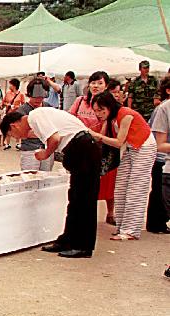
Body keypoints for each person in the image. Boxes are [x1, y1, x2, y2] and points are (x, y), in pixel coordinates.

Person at [1, 108, 102, 258]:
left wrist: (46, 154)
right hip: (79, 149)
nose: (17, 138)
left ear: (13, 125)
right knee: (75, 198)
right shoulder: (37, 120)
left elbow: (54, 138)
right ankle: (67, 240)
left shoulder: (35, 116)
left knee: (84, 199)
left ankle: (83, 246)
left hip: (83, 148)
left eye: (12, 135)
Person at [90, 91, 158, 240]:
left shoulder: (125, 114)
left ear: (109, 107)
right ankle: (122, 226)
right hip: (129, 147)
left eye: (101, 110)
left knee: (136, 187)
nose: (98, 114)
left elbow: (118, 141)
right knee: (120, 186)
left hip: (143, 146)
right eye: (95, 110)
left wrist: (98, 136)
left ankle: (131, 230)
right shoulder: (111, 118)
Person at [71, 71, 115, 223]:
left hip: (101, 145)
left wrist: (99, 139)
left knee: (107, 180)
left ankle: (110, 213)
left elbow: (108, 124)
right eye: (93, 83)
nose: (95, 86)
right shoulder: (80, 101)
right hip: (80, 144)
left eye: (100, 83)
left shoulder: (109, 103)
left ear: (106, 86)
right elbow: (71, 118)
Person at [146, 76, 170, 233]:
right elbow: (158, 143)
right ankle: (156, 224)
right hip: (162, 158)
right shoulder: (163, 109)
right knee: (158, 193)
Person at [17, 78, 54, 171]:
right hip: (30, 150)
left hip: (47, 149)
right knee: (29, 179)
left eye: (41, 97)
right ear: (29, 94)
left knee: (46, 179)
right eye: (35, 97)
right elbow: (23, 133)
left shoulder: (48, 107)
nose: (38, 99)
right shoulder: (22, 110)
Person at [1, 78, 25, 149]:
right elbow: (3, 102)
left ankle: (18, 143)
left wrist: (17, 106)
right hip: (9, 113)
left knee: (18, 127)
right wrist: (7, 104)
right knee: (8, 128)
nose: (9, 86)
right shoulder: (8, 93)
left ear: (14, 85)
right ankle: (7, 144)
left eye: (10, 84)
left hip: (17, 114)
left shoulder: (20, 94)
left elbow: (23, 104)